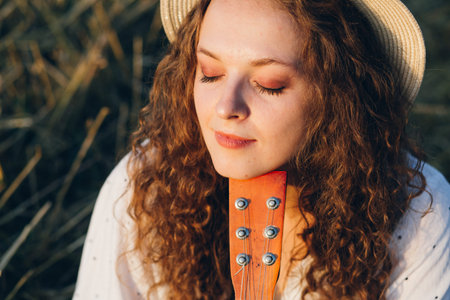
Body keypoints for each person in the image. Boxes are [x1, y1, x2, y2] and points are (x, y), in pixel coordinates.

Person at [73, 0, 450, 299]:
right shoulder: (146, 184)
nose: (225, 107)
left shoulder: (418, 214)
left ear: (340, 97)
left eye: (269, 84)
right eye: (210, 72)